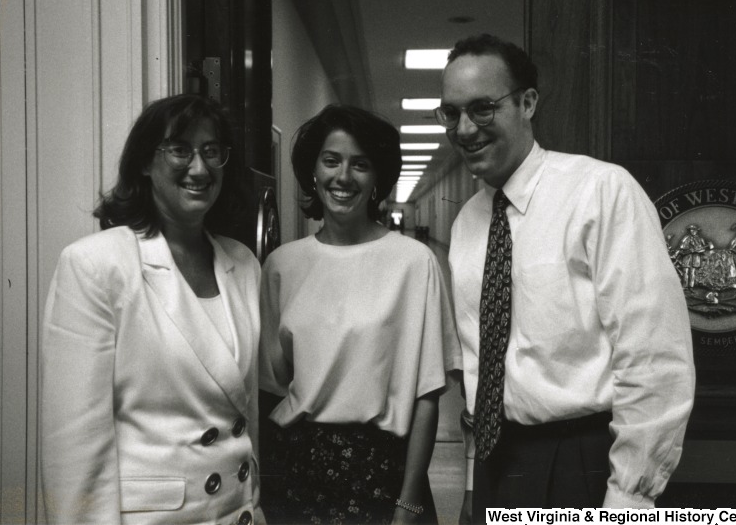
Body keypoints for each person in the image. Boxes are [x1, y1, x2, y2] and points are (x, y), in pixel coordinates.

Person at [438, 34, 695, 518]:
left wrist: (629, 502)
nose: (465, 129)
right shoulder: (468, 222)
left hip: (587, 464)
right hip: (499, 463)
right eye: (451, 113)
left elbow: (655, 361)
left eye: (483, 109)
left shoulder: (600, 192)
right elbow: (479, 368)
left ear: (528, 103)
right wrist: (476, 482)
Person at [41, 94, 263, 525]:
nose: (199, 168)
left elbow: (244, 415)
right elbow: (76, 448)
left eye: (211, 151)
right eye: (180, 149)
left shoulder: (244, 264)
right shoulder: (97, 264)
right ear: (144, 162)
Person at [258, 104, 462, 524]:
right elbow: (269, 389)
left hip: (383, 472)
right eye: (331, 161)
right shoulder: (282, 266)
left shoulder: (412, 262)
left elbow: (426, 395)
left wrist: (408, 502)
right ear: (313, 171)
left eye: (360, 165)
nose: (343, 177)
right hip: (298, 469)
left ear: (377, 179)